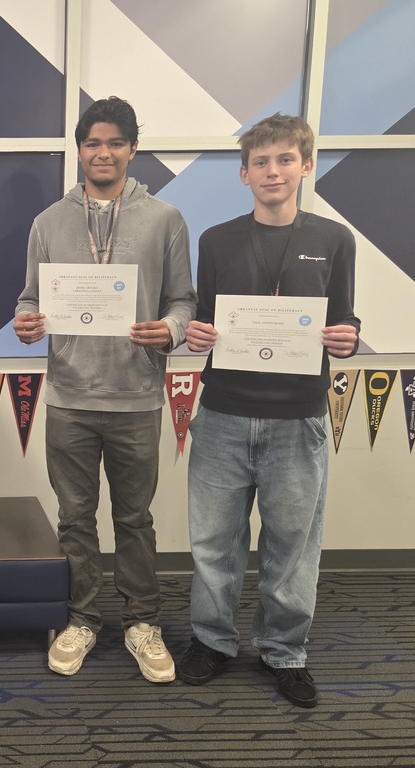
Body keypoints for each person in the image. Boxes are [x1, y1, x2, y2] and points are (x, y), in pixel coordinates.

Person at [178, 114, 360, 708]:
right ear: (244, 173)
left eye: (285, 160)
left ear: (306, 166)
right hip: (223, 411)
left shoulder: (334, 240)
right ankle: (213, 640)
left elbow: (346, 316)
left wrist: (348, 336)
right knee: (213, 540)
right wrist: (198, 337)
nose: (273, 171)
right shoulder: (216, 240)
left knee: (292, 542)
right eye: (261, 162)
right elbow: (203, 318)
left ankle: (285, 652)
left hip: (298, 416)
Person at [14, 97, 197, 682]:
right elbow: (29, 299)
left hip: (137, 397)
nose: (104, 152)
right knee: (75, 516)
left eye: (116, 142)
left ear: (133, 149)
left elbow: (183, 301)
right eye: (93, 142)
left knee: (136, 518)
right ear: (79, 149)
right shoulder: (47, 222)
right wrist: (25, 321)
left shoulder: (164, 218)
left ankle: (142, 622)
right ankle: (83, 620)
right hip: (68, 397)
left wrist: (167, 330)